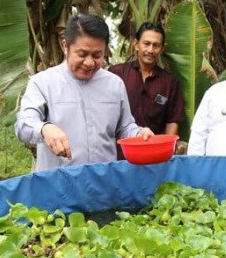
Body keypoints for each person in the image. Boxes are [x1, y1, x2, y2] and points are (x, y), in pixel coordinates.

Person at [15, 13, 153, 171]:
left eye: (97, 55)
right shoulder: (42, 83)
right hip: (59, 185)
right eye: (82, 54)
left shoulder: (114, 84)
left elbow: (124, 127)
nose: (89, 62)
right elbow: (23, 126)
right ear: (65, 46)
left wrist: (139, 134)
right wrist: (44, 128)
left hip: (104, 182)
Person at [109, 22, 185, 137]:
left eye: (156, 45)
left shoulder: (170, 82)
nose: (150, 50)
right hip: (119, 150)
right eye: (146, 44)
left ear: (162, 48)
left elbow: (172, 121)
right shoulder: (116, 74)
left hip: (153, 150)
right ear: (136, 44)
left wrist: (168, 148)